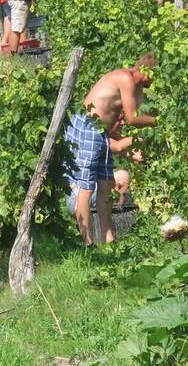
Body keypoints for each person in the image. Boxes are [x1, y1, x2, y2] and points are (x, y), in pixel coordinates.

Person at [66, 55, 157, 246]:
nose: (153, 82)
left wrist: (134, 147)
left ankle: (110, 241)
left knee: (106, 185)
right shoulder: (126, 79)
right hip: (89, 127)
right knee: (86, 186)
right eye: (153, 76)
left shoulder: (138, 88)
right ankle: (87, 241)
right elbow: (132, 119)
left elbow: (122, 121)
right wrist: (159, 121)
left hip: (102, 132)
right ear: (146, 71)